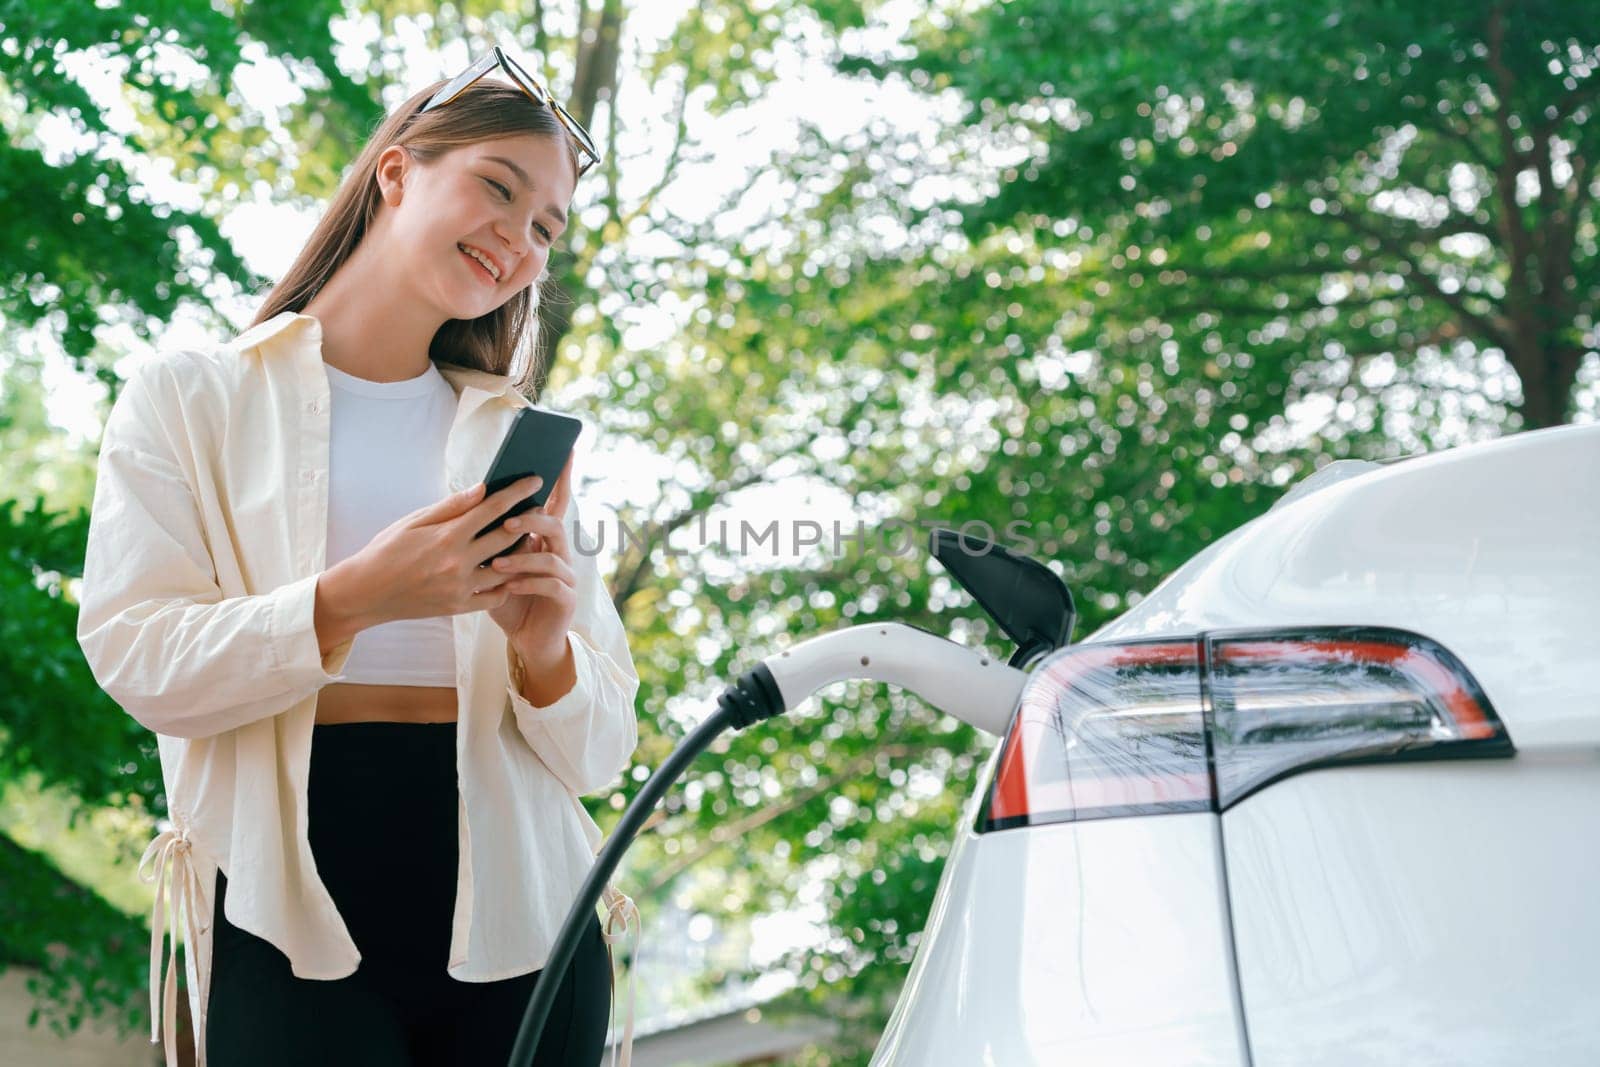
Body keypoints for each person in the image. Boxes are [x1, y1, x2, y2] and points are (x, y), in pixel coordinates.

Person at [75, 45, 641, 1067]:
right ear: (395, 172)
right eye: (498, 189)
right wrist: (352, 599)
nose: (517, 239)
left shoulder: (511, 438)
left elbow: (601, 753)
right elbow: (137, 656)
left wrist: (546, 649)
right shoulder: (191, 397)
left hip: (526, 906)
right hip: (280, 894)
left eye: (544, 228)